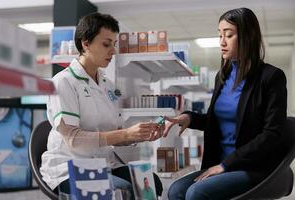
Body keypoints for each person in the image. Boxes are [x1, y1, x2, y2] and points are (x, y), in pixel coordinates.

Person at [165, 8, 287, 200]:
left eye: (229, 35)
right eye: (219, 35)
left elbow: (272, 134)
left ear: (248, 36)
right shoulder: (222, 77)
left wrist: (226, 165)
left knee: (196, 193)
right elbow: (216, 121)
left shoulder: (271, 77)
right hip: (218, 164)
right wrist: (189, 117)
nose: (222, 42)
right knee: (176, 191)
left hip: (249, 167)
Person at [40, 12, 163, 198]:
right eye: (106, 44)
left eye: (114, 44)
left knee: (153, 183)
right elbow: (74, 139)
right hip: (71, 166)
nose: (112, 51)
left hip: (104, 163)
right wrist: (125, 133)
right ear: (86, 43)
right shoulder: (63, 82)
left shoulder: (108, 86)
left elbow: (111, 133)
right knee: (122, 190)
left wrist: (140, 134)